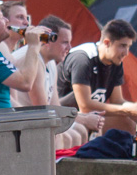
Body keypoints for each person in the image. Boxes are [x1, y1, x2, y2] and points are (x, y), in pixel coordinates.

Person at [12, 14, 102, 149]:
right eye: (65, 42)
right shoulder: (31, 59)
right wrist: (82, 118)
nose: (69, 47)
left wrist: (82, 118)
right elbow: (42, 109)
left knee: (81, 130)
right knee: (71, 134)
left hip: (38, 119)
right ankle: (55, 170)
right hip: (23, 123)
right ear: (48, 40)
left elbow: (55, 106)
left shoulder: (51, 63)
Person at [56, 18, 137, 132]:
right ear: (107, 42)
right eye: (122, 46)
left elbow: (117, 101)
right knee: (125, 121)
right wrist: (127, 110)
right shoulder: (82, 59)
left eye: (128, 47)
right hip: (65, 117)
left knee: (129, 121)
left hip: (91, 116)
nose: (126, 53)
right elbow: (85, 106)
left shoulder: (115, 61)